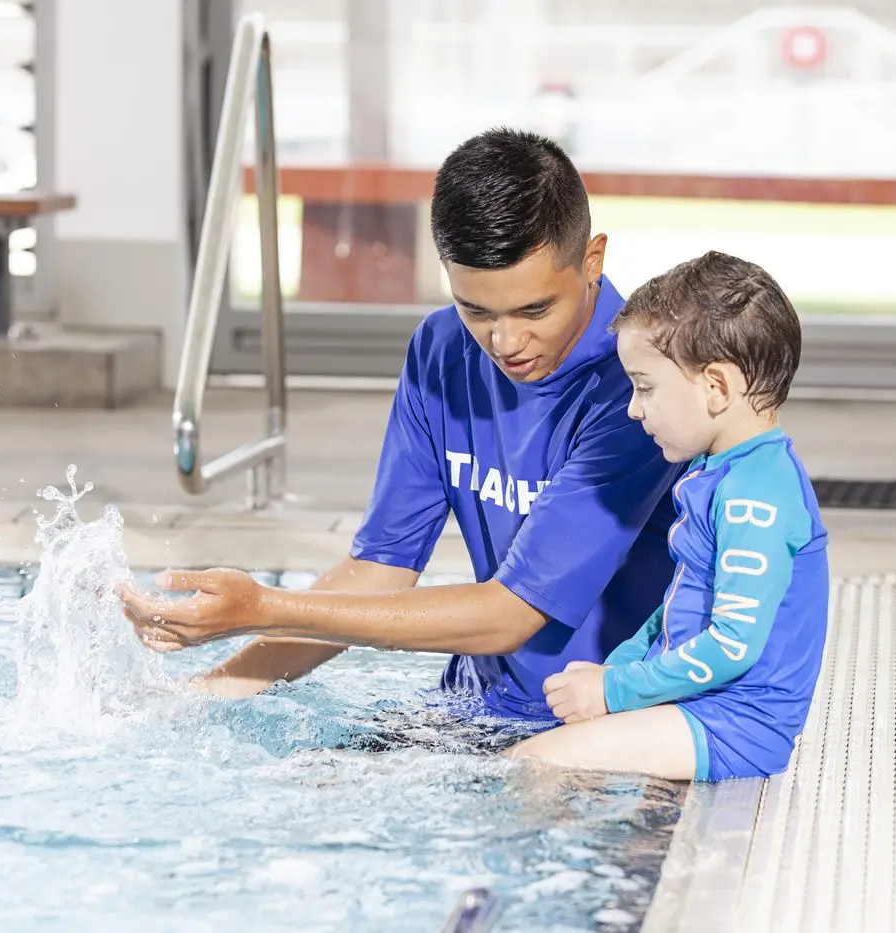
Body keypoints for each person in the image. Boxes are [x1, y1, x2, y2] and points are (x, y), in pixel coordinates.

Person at [122, 126, 681, 731]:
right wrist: (208, 690)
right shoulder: (442, 350)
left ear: (592, 260)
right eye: (477, 310)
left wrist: (262, 607)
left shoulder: (640, 387)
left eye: (534, 310)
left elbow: (513, 614)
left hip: (606, 722)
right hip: (476, 704)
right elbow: (381, 570)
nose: (506, 342)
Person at [510, 251, 831, 780]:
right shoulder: (722, 471)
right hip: (702, 709)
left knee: (532, 763)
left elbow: (731, 645)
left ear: (716, 388)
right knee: (548, 747)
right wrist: (618, 671)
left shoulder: (758, 496)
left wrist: (615, 691)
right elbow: (679, 605)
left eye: (645, 387)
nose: (634, 409)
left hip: (734, 726)